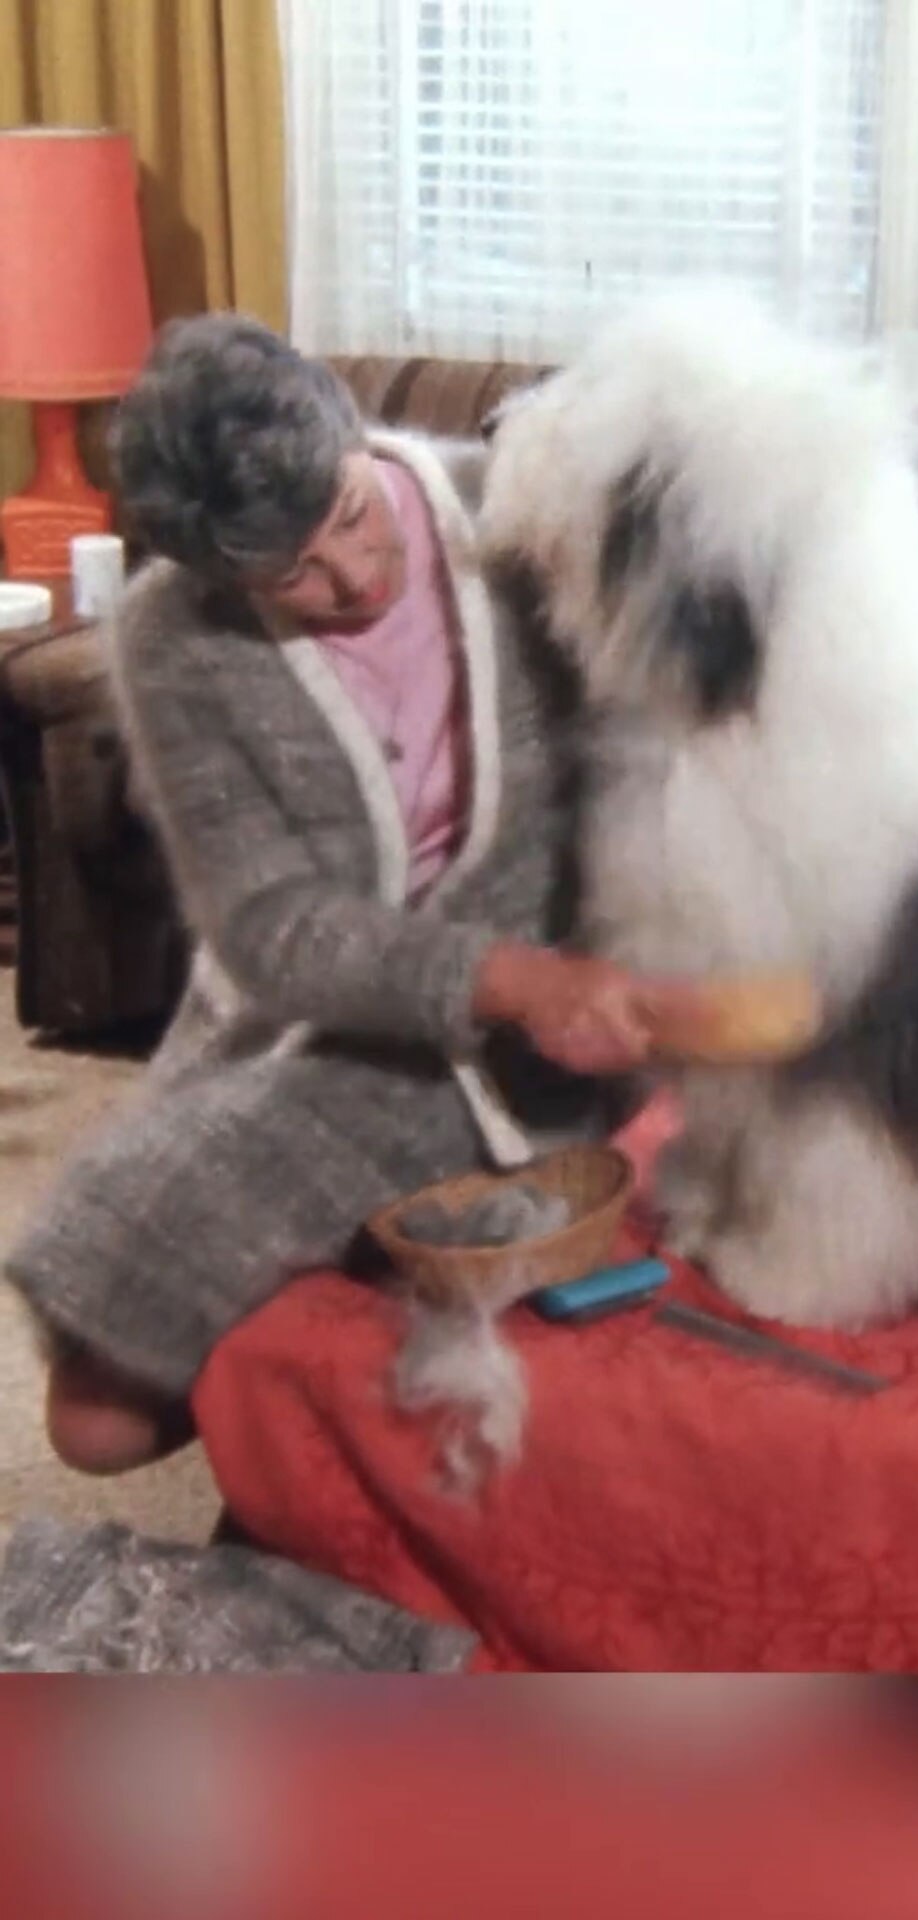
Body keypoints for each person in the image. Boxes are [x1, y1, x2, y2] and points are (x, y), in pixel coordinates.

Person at [5, 314, 665, 1475]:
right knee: (94, 1424)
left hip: (549, 1033)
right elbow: (269, 930)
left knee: (194, 1375)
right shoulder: (171, 634)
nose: (353, 576)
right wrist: (494, 978)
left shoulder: (509, 517)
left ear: (352, 433)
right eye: (290, 574)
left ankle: (321, 1455)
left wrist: (592, 966)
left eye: (352, 516)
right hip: (313, 1016)